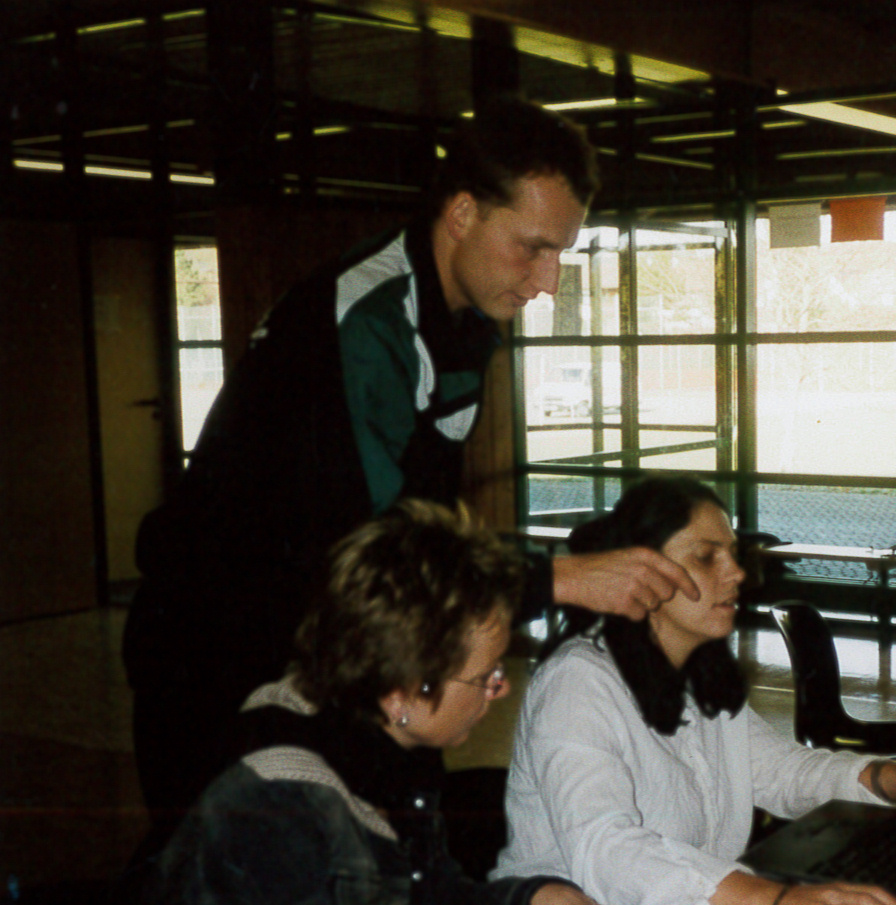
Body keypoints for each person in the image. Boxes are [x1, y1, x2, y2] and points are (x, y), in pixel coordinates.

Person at [124, 97, 697, 841]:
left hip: (329, 636)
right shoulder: (369, 324)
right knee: (237, 875)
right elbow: (375, 556)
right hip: (216, 652)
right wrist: (558, 577)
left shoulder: (460, 324)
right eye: (532, 248)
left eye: (560, 252)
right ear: (461, 213)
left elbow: (419, 530)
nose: (549, 280)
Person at [127, 500, 595, 905]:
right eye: (485, 677)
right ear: (401, 693)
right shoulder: (270, 809)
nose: (499, 690)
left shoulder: (392, 747)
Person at [493, 476, 896, 905]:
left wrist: (888, 778)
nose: (736, 572)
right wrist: (773, 902)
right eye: (706, 557)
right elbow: (607, 851)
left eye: (733, 554)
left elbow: (781, 772)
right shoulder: (577, 682)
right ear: (641, 573)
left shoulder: (697, 671)